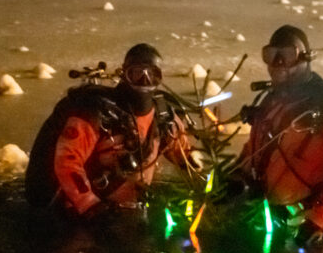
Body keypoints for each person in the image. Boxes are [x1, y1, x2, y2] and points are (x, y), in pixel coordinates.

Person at [25, 43, 198, 219]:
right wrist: (90, 206)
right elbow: (67, 162)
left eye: (152, 74)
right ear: (124, 74)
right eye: (136, 73)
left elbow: (183, 152)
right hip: (86, 212)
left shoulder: (163, 116)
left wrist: (202, 181)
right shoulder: (97, 114)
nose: (144, 81)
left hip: (133, 208)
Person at [233, 25, 323, 246]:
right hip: (285, 217)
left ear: (306, 58)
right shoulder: (272, 102)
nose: (277, 63)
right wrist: (239, 178)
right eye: (270, 55)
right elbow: (256, 149)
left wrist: (320, 219)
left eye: (287, 55)